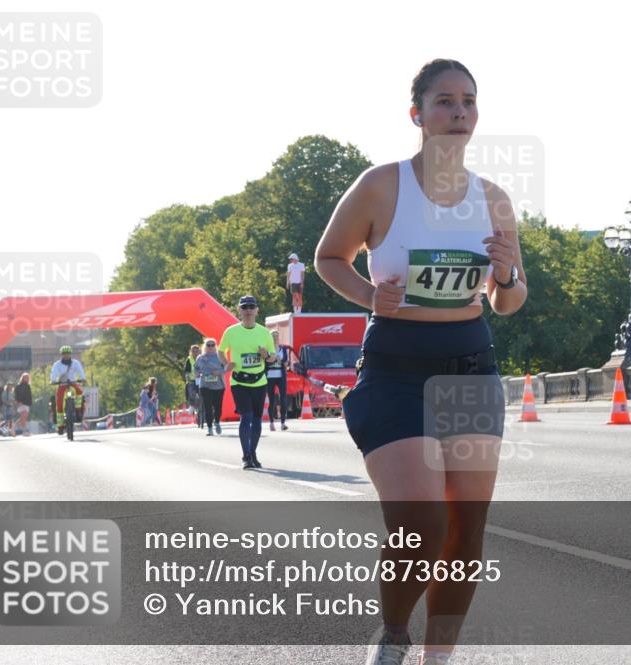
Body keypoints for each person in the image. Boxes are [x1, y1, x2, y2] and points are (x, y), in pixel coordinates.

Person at [315, 59, 527, 665]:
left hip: (470, 369)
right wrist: (366, 295)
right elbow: (330, 256)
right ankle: (394, 633)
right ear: (418, 114)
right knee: (423, 529)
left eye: (468, 101)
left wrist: (508, 271)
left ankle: (439, 657)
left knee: (464, 535)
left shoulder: (493, 199)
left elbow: (508, 302)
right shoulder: (382, 186)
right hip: (395, 371)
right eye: (444, 102)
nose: (458, 112)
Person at [218, 295, 277, 469]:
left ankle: (253, 453)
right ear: (239, 310)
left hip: (259, 381)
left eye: (251, 307)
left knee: (257, 419)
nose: (248, 310)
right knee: (247, 416)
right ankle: (246, 457)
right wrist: (226, 364)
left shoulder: (264, 333)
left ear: (257, 310)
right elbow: (221, 351)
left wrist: (266, 355)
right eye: (245, 307)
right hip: (239, 381)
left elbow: (273, 357)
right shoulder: (231, 332)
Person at [49, 346, 85, 435]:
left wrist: (82, 378)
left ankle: (77, 409)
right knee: (59, 403)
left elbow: (80, 371)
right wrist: (53, 381)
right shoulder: (57, 364)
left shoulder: (75, 363)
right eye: (64, 354)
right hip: (62, 384)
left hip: (72, 382)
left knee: (79, 391)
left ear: (70, 354)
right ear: (61, 355)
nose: (66, 355)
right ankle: (60, 426)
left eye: (68, 354)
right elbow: (54, 374)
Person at [194, 337, 227, 436]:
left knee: (218, 407)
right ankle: (209, 428)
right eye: (209, 345)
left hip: (219, 385)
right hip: (205, 385)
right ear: (205, 346)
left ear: (215, 346)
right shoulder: (200, 357)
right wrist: (197, 373)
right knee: (207, 407)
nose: (211, 347)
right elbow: (195, 369)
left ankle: (216, 422)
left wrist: (219, 372)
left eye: (213, 345)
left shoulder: (220, 356)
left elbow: (227, 367)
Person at [265, 329, 289, 432]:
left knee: (283, 399)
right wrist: (273, 360)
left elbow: (286, 363)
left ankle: (283, 423)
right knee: (272, 400)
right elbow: (265, 363)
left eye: (276, 335)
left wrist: (281, 361)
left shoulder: (283, 349)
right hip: (270, 376)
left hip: (281, 376)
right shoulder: (267, 349)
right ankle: (271, 422)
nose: (275, 337)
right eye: (273, 335)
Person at [184, 344, 202, 427]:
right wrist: (187, 377)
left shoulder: (202, 358)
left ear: (199, 351)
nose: (195, 353)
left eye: (197, 351)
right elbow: (187, 371)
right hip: (192, 380)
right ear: (191, 352)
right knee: (191, 392)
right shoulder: (189, 360)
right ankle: (192, 405)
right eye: (193, 351)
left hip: (202, 379)